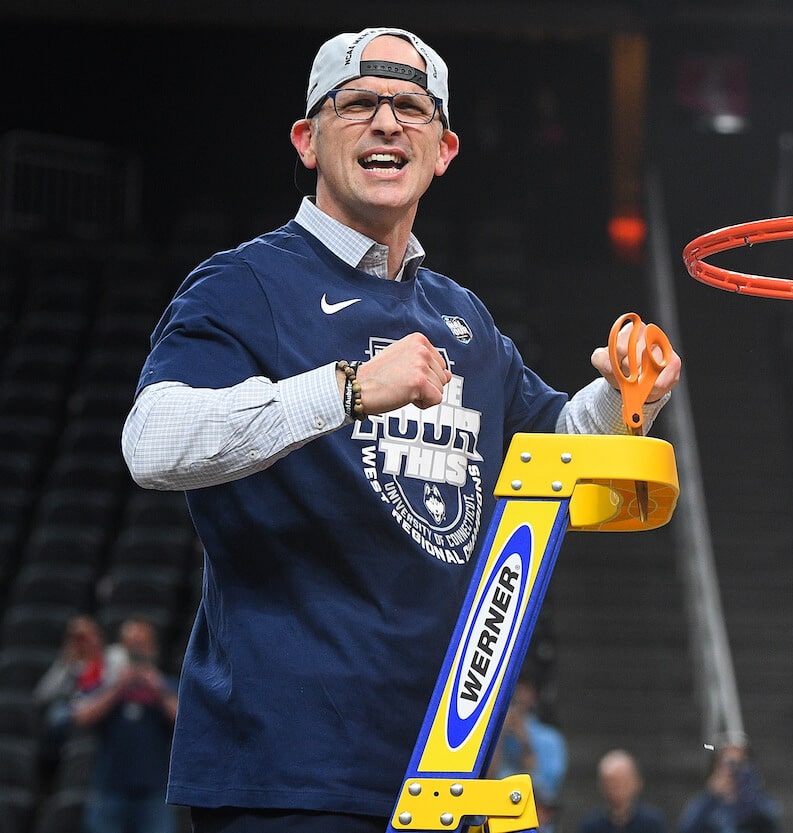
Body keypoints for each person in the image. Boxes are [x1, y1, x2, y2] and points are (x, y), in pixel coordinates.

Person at [120, 26, 681, 833]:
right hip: (288, 776)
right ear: (307, 140)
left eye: (412, 108)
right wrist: (348, 389)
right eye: (358, 104)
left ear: (445, 148)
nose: (387, 122)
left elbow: (555, 446)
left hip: (443, 771)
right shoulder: (245, 283)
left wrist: (627, 398)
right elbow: (151, 441)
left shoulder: (463, 318)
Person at [73, 618, 179, 833]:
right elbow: (82, 715)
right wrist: (119, 687)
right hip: (110, 788)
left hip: (155, 791)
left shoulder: (166, 686)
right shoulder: (108, 685)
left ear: (153, 648)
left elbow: (184, 720)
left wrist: (156, 688)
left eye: (142, 644)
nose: (137, 651)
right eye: (131, 645)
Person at [488, 670, 568, 831]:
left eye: (521, 690)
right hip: (495, 819)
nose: (516, 696)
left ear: (533, 696)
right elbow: (486, 780)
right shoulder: (491, 736)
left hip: (536, 821)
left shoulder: (550, 738)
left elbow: (547, 786)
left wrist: (524, 740)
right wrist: (497, 736)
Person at [33, 615, 106, 769]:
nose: (81, 643)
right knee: (55, 716)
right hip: (73, 708)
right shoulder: (67, 663)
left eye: (85, 637)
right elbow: (42, 694)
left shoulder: (107, 660)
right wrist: (67, 665)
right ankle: (52, 765)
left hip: (100, 707)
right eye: (76, 638)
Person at [677, 741, 779, 833]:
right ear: (717, 767)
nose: (732, 770)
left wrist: (749, 792)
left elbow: (770, 821)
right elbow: (687, 828)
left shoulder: (758, 802)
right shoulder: (706, 803)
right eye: (728, 763)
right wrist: (711, 796)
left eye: (740, 763)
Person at [577, 749, 668, 833]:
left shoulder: (652, 823)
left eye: (622, 782)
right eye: (610, 782)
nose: (616, 788)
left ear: (636, 782)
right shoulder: (591, 825)